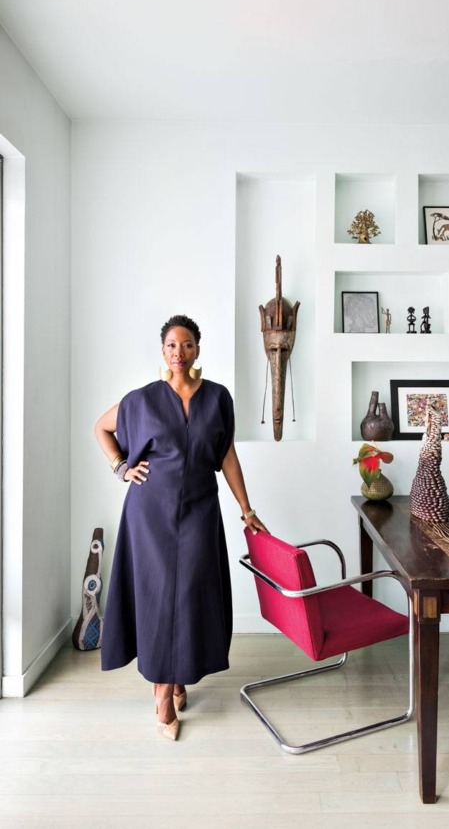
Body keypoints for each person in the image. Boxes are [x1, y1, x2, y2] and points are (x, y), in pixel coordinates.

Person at [94, 314, 267, 741]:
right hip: (148, 515)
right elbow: (101, 427)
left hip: (199, 511)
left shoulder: (217, 398)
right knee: (157, 598)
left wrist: (246, 509)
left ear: (197, 350)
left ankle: (178, 675)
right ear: (163, 351)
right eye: (171, 345)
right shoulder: (141, 400)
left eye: (186, 344)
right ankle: (162, 694)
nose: (178, 352)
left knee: (189, 595)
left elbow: (227, 457)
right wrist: (121, 467)